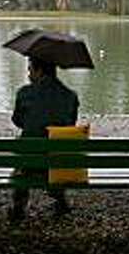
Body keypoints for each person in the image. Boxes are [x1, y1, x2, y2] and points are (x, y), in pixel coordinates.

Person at [10, 56, 80, 222]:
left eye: (30, 70)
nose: (28, 74)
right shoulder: (71, 95)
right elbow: (70, 124)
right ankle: (60, 200)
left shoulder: (25, 93)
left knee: (25, 152)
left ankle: (19, 205)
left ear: (39, 71)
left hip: (29, 161)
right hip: (58, 161)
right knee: (54, 152)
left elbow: (17, 121)